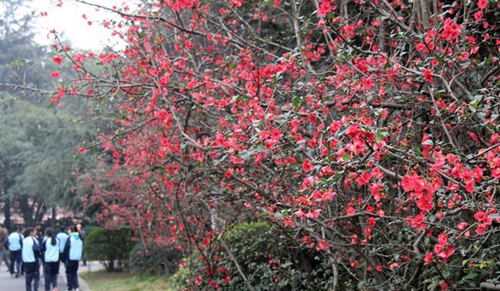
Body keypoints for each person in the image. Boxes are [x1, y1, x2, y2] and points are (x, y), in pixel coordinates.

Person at [63, 225, 83, 291]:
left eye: (69, 230)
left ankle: (70, 287)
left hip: (70, 257)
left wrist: (64, 258)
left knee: (69, 273)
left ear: (71, 230)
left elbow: (66, 248)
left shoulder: (70, 238)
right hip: (77, 257)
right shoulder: (80, 237)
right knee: (74, 272)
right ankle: (76, 286)